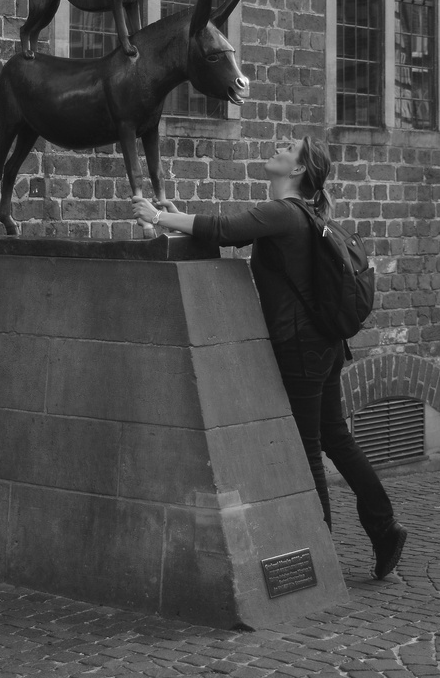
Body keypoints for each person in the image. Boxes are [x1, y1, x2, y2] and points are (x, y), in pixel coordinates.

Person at [132, 136, 408, 580]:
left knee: (309, 450)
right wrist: (176, 216)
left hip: (301, 347)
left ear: (297, 171)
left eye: (287, 149)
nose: (278, 149)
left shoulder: (283, 212)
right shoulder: (301, 214)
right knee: (335, 438)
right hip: (324, 344)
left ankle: (321, 553)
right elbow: (226, 229)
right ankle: (384, 529)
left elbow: (223, 229)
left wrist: (158, 216)